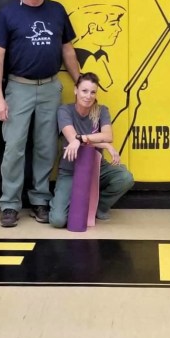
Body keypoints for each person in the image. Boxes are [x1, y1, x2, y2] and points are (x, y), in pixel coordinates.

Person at [0, 0, 80, 228]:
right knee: (14, 147)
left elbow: (68, 50)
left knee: (46, 147)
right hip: (18, 87)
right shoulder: (8, 14)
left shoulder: (56, 10)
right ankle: (9, 203)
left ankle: (40, 199)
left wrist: (80, 82)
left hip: (51, 87)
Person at [49, 72, 134, 228]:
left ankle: (98, 207)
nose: (88, 96)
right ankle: (60, 201)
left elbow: (107, 135)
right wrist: (103, 144)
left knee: (125, 177)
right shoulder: (64, 111)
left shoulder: (101, 111)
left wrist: (83, 139)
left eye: (93, 92)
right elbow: (72, 137)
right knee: (58, 221)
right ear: (76, 90)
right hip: (70, 171)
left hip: (97, 168)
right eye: (84, 91)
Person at [68, 4, 126, 91]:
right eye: (113, 24)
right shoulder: (84, 60)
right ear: (92, 28)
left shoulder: (100, 56)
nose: (118, 29)